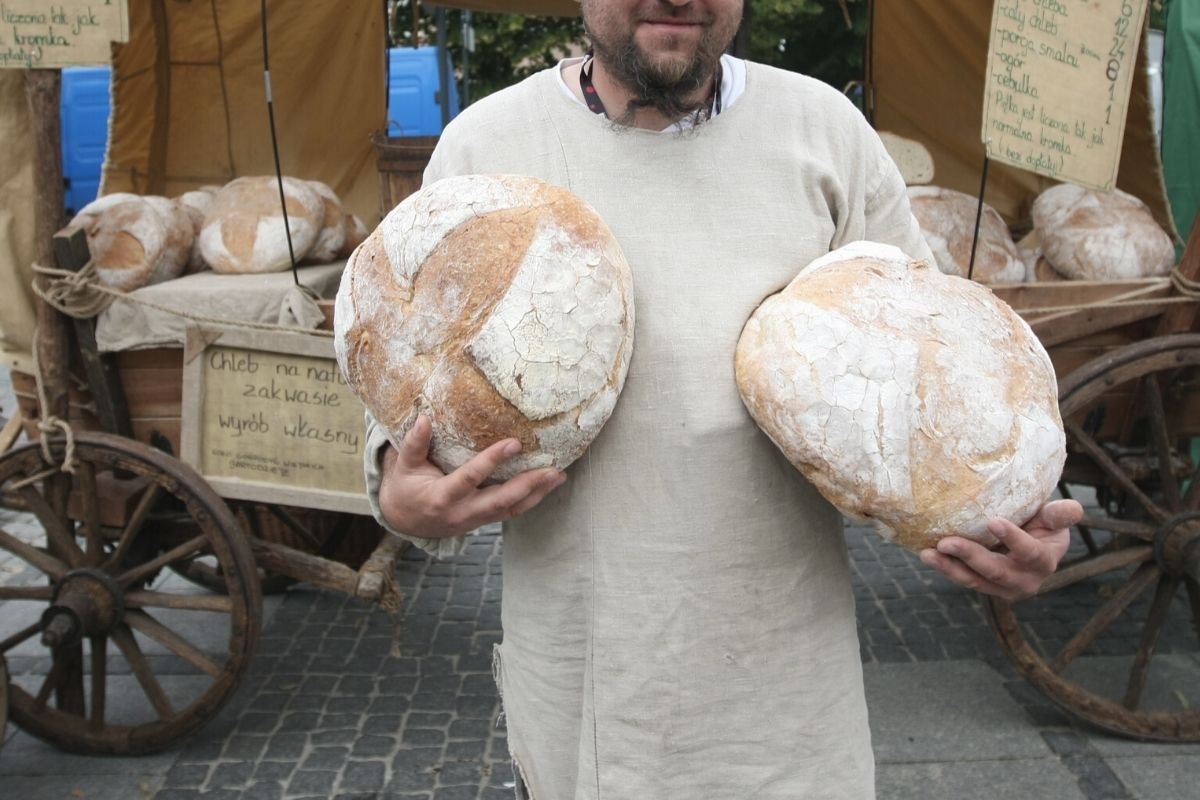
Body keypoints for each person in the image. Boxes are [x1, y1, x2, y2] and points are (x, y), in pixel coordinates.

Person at [362, 1, 1082, 797]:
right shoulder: (486, 147)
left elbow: (938, 360)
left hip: (786, 693)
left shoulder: (825, 133)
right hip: (588, 683)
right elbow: (401, 392)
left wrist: (1011, 522)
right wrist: (398, 489)